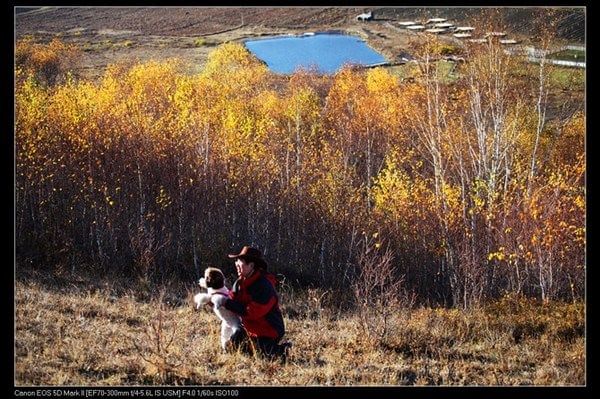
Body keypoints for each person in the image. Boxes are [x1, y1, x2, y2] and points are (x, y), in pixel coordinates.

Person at [210, 246, 290, 361]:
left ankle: (282, 350)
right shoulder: (239, 283)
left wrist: (226, 302)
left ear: (251, 265)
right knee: (234, 348)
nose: (236, 264)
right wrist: (215, 301)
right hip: (250, 328)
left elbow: (252, 312)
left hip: (269, 330)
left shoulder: (263, 285)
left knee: (262, 356)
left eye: (240, 261)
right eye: (236, 261)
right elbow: (232, 300)